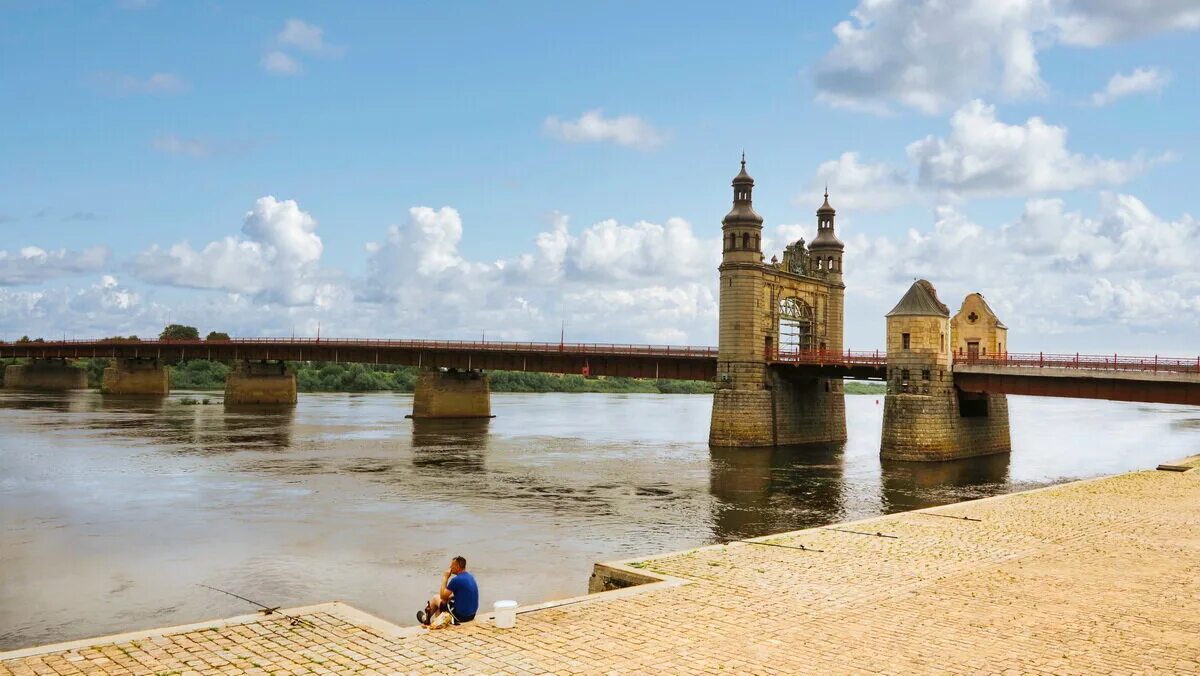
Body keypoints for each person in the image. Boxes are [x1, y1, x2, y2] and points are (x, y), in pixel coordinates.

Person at [417, 555, 479, 627]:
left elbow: (442, 595)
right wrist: (450, 597)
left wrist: (445, 577)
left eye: (452, 565)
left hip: (461, 617)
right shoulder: (470, 576)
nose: (450, 567)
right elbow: (463, 594)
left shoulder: (456, 580)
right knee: (445, 601)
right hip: (471, 615)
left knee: (436, 598)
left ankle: (426, 620)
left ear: (458, 566)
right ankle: (436, 620)